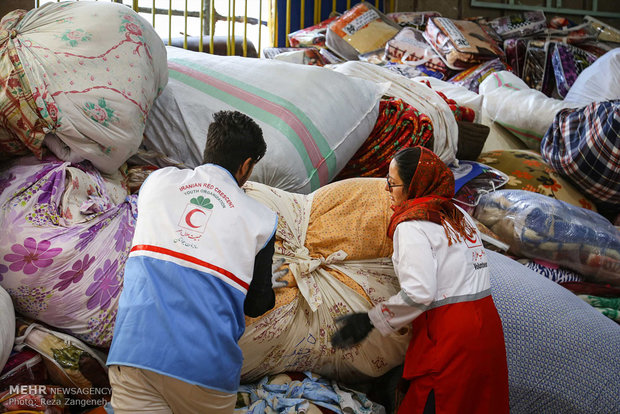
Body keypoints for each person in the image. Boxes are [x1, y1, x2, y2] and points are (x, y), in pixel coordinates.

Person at [107, 110, 288, 413]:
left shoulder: (157, 182)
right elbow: (256, 305)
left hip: (132, 352)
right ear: (246, 166)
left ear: (209, 148)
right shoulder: (262, 220)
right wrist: (264, 287)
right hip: (204, 370)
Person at [331, 146, 509, 414]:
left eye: (392, 184)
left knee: (439, 402)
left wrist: (370, 320)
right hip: (487, 330)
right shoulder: (459, 216)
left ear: (415, 185)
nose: (388, 191)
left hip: (451, 336)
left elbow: (419, 293)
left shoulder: (412, 225)